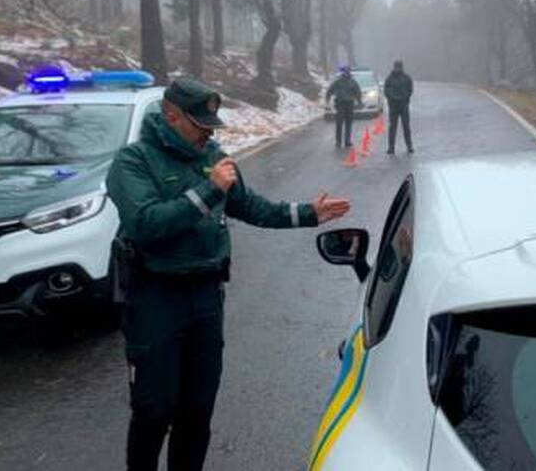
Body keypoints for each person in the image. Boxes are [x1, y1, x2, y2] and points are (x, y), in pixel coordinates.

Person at [106, 77, 352, 471]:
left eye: (212, 124)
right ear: (171, 116)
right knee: (154, 409)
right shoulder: (134, 161)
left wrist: (308, 213)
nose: (209, 132)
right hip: (155, 297)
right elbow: (145, 223)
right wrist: (208, 191)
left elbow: (252, 207)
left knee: (197, 409)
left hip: (206, 296)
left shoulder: (213, 157)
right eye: (199, 124)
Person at [325, 65, 362, 148]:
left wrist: (359, 102)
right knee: (339, 123)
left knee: (349, 123)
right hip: (340, 104)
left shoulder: (353, 82)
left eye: (348, 72)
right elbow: (330, 90)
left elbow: (358, 92)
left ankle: (347, 141)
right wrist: (327, 99)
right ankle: (338, 141)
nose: (347, 73)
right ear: (343, 73)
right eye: (346, 72)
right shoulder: (338, 82)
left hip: (350, 104)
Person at [383, 59, 414, 154]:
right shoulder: (389, 78)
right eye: (396, 67)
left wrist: (405, 97)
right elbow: (386, 90)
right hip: (393, 106)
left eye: (399, 67)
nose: (398, 69)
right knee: (392, 127)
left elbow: (410, 89)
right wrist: (391, 98)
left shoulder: (406, 78)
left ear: (402, 67)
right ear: (394, 67)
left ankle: (409, 146)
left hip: (403, 105)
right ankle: (391, 147)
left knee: (406, 126)